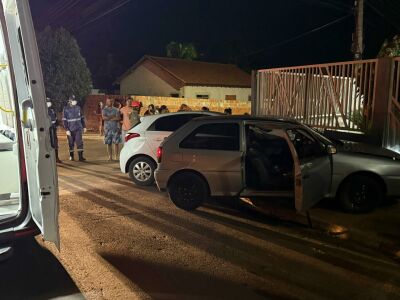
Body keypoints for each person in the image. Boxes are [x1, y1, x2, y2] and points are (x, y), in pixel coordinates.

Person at [63, 96, 87, 161]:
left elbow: (82, 118)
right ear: (70, 101)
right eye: (73, 100)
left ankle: (80, 157)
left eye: (75, 100)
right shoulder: (66, 109)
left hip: (78, 128)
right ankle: (71, 156)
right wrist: (67, 129)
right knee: (70, 143)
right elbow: (64, 120)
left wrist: (84, 126)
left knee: (79, 143)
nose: (75, 101)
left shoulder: (78, 108)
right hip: (70, 129)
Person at [47, 98, 62, 163]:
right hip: (47, 129)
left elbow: (55, 120)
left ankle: (56, 158)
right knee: (48, 144)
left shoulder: (52, 110)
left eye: (49, 102)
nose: (49, 103)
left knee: (55, 143)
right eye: (47, 102)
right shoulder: (43, 111)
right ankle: (49, 159)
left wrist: (58, 125)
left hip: (53, 129)